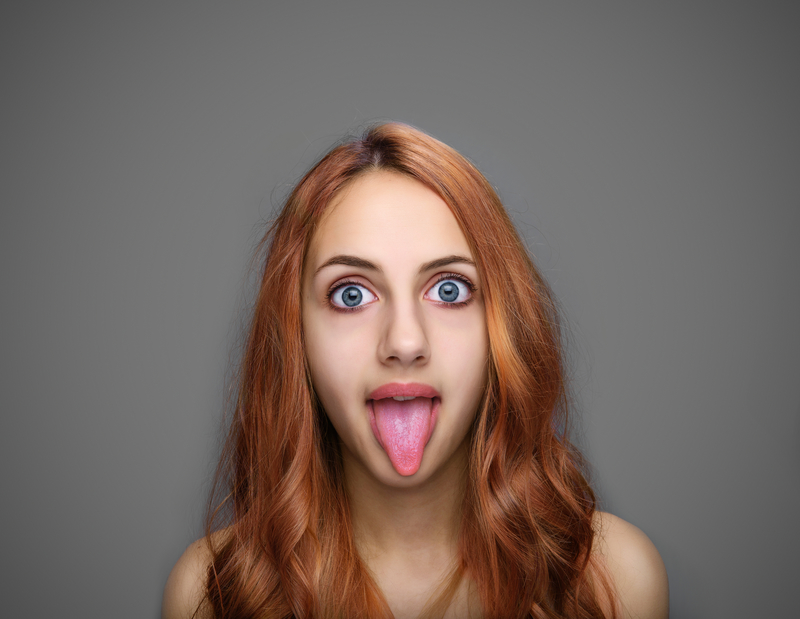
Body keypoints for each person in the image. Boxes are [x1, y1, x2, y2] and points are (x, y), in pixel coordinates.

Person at [162, 123, 668, 619]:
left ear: (504, 326)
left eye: (449, 290)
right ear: (297, 337)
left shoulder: (614, 583)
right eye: (351, 294)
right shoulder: (210, 593)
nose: (405, 342)